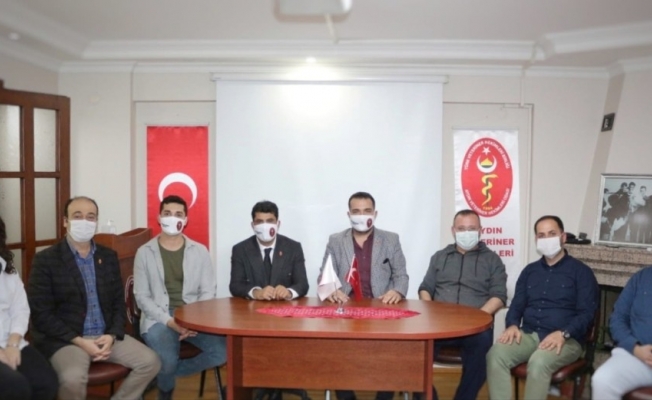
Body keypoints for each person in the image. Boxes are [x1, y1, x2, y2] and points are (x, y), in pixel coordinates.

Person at [27, 196, 161, 400]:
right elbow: (41, 313)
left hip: (105, 336)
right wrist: (79, 341)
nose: (85, 221)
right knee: (72, 378)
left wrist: (112, 335)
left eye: (90, 217)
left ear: (96, 222)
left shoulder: (108, 256)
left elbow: (118, 303)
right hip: (68, 340)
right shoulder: (46, 260)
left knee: (151, 362)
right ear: (65, 222)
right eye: (77, 216)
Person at [486, 215, 598, 400]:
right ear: (536, 240)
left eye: (552, 234)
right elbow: (516, 306)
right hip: (530, 334)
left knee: (538, 363)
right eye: (541, 235)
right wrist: (512, 324)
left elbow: (587, 314)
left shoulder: (582, 272)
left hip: (567, 339)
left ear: (563, 237)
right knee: (495, 354)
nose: (547, 239)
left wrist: (564, 333)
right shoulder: (529, 271)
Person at [134, 194, 226, 400]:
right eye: (167, 213)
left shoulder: (200, 251)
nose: (172, 218)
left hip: (193, 316)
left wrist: (193, 321)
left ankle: (162, 375)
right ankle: (165, 390)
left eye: (178, 214)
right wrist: (170, 322)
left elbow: (208, 291)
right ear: (159, 218)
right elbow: (142, 297)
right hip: (158, 318)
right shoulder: (144, 252)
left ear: (185, 220)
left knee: (223, 353)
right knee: (167, 360)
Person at [318, 191, 409, 400]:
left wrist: (396, 291)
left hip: (381, 309)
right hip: (346, 310)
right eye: (356, 211)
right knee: (336, 353)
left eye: (367, 211)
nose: (361, 216)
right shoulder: (336, 240)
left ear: (375, 214)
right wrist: (331, 290)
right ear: (348, 214)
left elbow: (401, 276)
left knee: (391, 355)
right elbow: (324, 278)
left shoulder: (391, 239)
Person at [415, 209, 507, 400]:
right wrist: (430, 312)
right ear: (453, 230)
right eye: (461, 229)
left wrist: (478, 318)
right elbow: (425, 288)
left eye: (472, 228)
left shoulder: (492, 260)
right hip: (439, 326)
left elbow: (498, 295)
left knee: (482, 355)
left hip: (475, 328)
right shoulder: (440, 257)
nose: (466, 233)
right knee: (412, 357)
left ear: (480, 230)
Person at [0, 216, 58, 400]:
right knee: (17, 387)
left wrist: (13, 344)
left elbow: (20, 310)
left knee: (47, 383)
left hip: (12, 342)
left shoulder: (8, 270)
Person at [592, 266, 652, 398]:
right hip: (637, 355)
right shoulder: (640, 278)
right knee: (602, 380)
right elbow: (617, 319)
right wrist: (635, 348)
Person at [230, 200, 309, 300]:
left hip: (284, 307)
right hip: (253, 308)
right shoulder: (240, 250)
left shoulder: (293, 248)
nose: (265, 227)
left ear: (278, 224)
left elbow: (303, 284)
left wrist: (288, 292)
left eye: (270, 221)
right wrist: (255, 292)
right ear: (253, 225)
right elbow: (235, 286)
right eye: (259, 222)